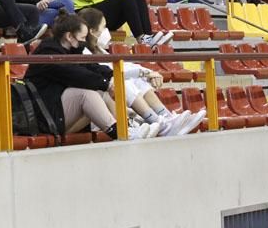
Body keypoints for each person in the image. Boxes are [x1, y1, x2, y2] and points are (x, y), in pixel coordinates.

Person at [24, 13, 151, 140]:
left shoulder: (70, 50)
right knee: (87, 95)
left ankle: (127, 127)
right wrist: (105, 84)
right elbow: (77, 74)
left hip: (56, 109)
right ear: (69, 36)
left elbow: (91, 66)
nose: (84, 41)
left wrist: (111, 75)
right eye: (83, 37)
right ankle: (124, 134)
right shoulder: (49, 52)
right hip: (43, 114)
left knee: (102, 93)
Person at [80, 8, 204, 136]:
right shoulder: (84, 52)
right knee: (122, 81)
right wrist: (145, 73)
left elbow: (124, 65)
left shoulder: (99, 49)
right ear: (93, 31)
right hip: (100, 107)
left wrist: (147, 72)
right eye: (104, 27)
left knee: (137, 79)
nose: (107, 31)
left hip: (112, 98)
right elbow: (111, 72)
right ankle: (157, 122)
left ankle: (166, 117)